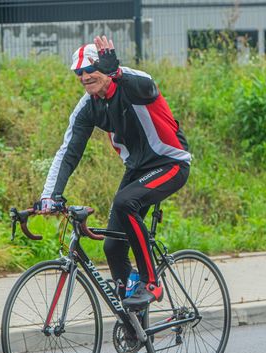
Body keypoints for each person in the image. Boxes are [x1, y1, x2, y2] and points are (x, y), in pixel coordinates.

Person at [36, 36, 191, 312]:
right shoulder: (88, 106)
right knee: (113, 247)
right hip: (137, 170)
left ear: (105, 68)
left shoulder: (131, 85)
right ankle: (132, 323)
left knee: (124, 202)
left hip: (170, 163)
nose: (84, 76)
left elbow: (147, 84)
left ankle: (151, 283)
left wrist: (116, 71)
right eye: (78, 72)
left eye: (90, 69)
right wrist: (50, 195)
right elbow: (69, 152)